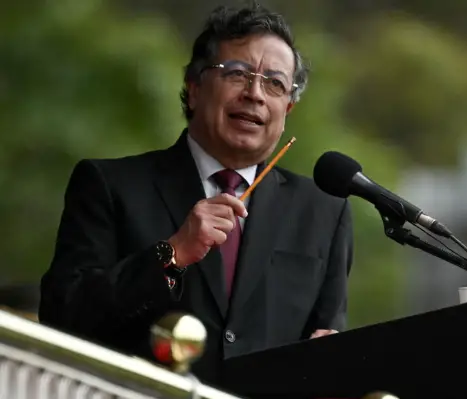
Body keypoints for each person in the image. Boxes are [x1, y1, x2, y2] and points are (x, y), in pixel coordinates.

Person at [38, 2, 353, 390]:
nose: (255, 94)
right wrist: (171, 255)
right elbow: (62, 317)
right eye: (237, 73)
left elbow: (327, 337)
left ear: (287, 107)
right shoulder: (108, 184)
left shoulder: (324, 211)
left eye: (274, 82)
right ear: (194, 87)